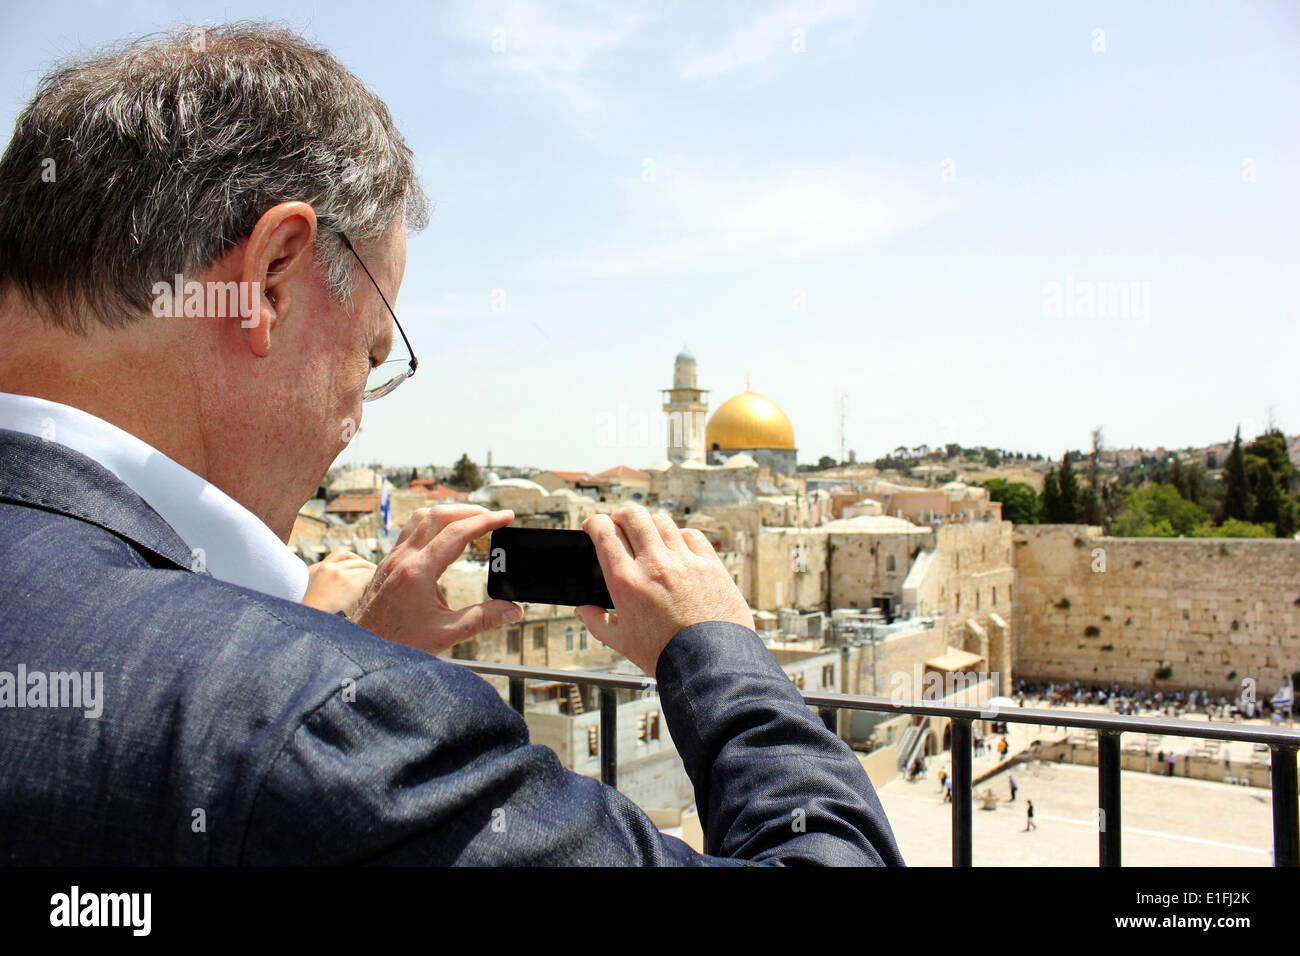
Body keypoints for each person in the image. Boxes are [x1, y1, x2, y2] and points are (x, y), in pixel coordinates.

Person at [0, 24, 904, 867]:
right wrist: (719, 652)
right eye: (371, 356)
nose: (360, 416)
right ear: (270, 281)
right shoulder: (328, 724)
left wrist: (338, 640)